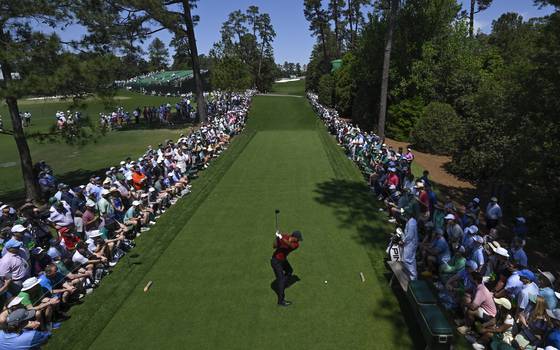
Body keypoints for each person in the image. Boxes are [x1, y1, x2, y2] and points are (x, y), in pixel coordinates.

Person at [271, 230, 303, 307]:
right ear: (294, 237)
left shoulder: (296, 244)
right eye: (298, 239)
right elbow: (274, 246)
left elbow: (290, 246)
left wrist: (281, 237)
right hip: (276, 261)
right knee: (281, 279)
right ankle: (281, 301)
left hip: (283, 260)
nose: (299, 241)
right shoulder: (284, 237)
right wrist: (277, 240)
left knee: (289, 271)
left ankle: (282, 284)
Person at [402, 212, 418, 280]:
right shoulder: (411, 221)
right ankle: (411, 275)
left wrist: (403, 241)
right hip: (410, 243)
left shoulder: (412, 223)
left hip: (411, 243)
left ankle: (413, 278)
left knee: (407, 260)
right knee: (410, 259)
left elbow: (410, 235)